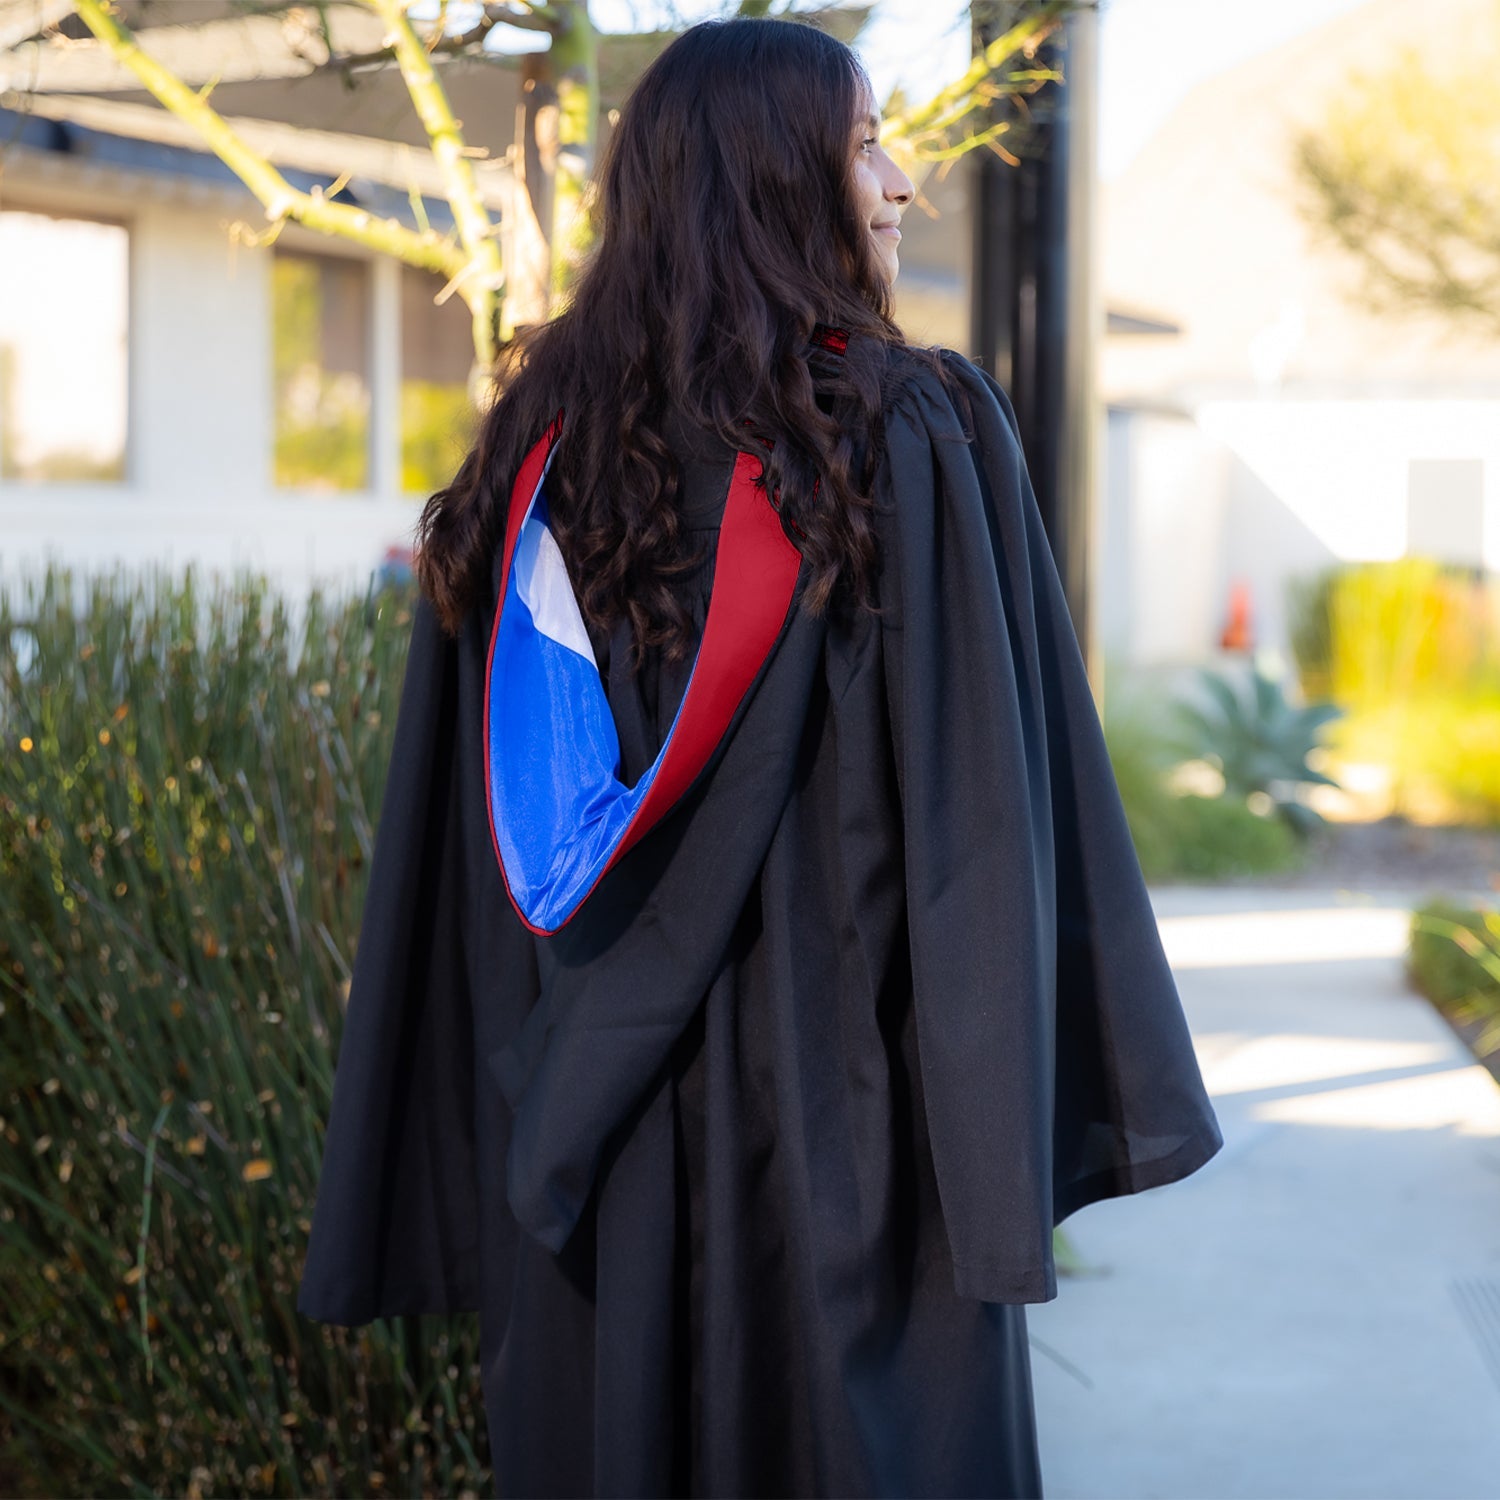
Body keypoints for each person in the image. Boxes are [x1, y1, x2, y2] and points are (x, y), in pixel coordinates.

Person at [296, 16, 1224, 1500]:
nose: (902, 182)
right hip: (845, 1149)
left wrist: (508, 1132)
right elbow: (985, 828)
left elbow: (473, 872)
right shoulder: (907, 431)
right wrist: (993, 1173)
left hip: (587, 1147)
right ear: (773, 179)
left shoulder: (532, 460)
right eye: (865, 143)